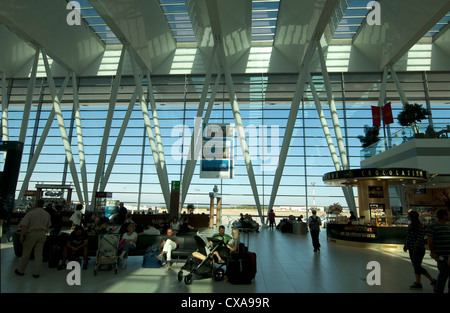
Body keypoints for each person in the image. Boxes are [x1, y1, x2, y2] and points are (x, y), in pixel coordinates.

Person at [15, 199, 51, 278]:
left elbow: (24, 226)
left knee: (26, 253)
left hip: (31, 234)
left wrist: (22, 236)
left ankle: (21, 270)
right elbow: (48, 226)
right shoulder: (47, 214)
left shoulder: (30, 213)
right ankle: (36, 273)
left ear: (35, 205)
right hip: (42, 234)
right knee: (38, 254)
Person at [403, 210, 436, 290]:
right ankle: (418, 282)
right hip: (412, 249)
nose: (407, 217)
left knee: (417, 266)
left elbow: (420, 238)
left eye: (409, 216)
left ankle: (432, 280)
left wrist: (415, 248)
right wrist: (406, 245)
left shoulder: (419, 226)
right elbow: (408, 237)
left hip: (418, 249)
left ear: (412, 217)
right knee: (416, 266)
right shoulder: (411, 225)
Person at [427, 209, 450, 293]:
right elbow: (430, 240)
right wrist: (432, 252)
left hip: (449, 254)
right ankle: (438, 290)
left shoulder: (448, 226)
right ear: (444, 216)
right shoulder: (433, 226)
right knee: (443, 273)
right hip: (440, 255)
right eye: (448, 214)